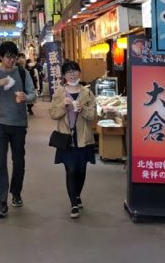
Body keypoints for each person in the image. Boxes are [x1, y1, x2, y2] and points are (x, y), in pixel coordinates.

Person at [0, 41, 36, 219]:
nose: (11, 61)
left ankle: (16, 192)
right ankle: (1, 202)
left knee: (18, 161)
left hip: (19, 123)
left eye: (13, 57)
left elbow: (33, 94)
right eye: (8, 57)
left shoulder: (22, 72)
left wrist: (25, 97)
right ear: (0, 57)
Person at [49, 60, 97, 219]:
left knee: (81, 170)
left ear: (79, 73)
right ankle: (74, 204)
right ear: (64, 75)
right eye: (68, 72)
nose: (72, 74)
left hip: (83, 137)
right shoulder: (59, 92)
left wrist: (83, 109)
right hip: (66, 137)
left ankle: (77, 194)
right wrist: (63, 106)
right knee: (70, 169)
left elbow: (92, 115)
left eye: (75, 70)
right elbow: (53, 114)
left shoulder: (87, 93)